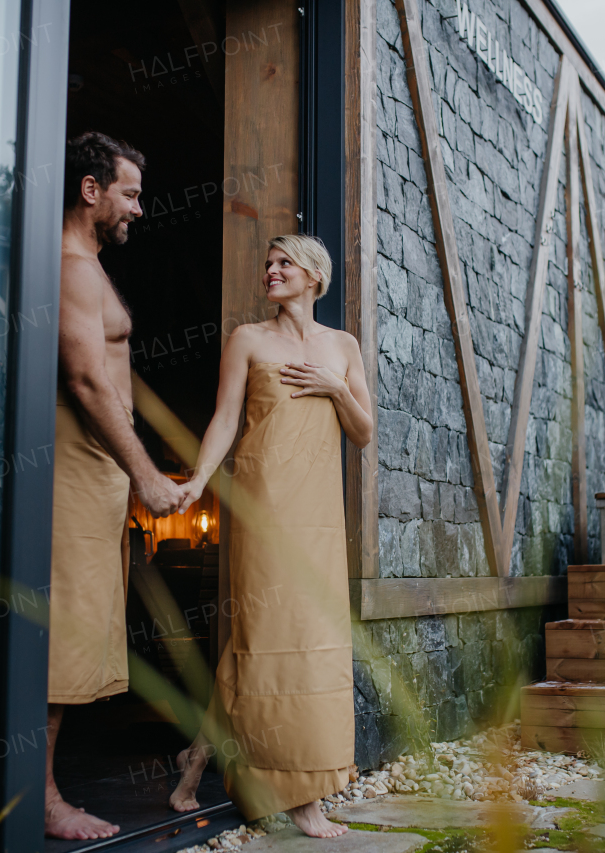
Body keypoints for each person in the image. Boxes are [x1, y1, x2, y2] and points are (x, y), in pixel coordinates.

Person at [167, 234, 373, 838]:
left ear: (315, 276)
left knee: (301, 643)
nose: (272, 271)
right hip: (263, 511)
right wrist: (198, 479)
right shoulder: (249, 340)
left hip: (318, 519)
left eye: (285, 263)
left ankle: (198, 760)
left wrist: (336, 389)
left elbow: (364, 432)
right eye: (268, 263)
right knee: (263, 639)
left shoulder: (342, 346)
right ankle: (298, 795)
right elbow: (226, 417)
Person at [46, 131, 185, 840]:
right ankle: (41, 799)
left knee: (80, 634)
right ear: (91, 189)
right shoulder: (71, 267)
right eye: (128, 192)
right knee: (60, 638)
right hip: (75, 473)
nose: (138, 207)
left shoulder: (90, 268)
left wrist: (131, 485)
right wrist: (147, 475)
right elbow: (85, 380)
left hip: (99, 480)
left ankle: (39, 790)